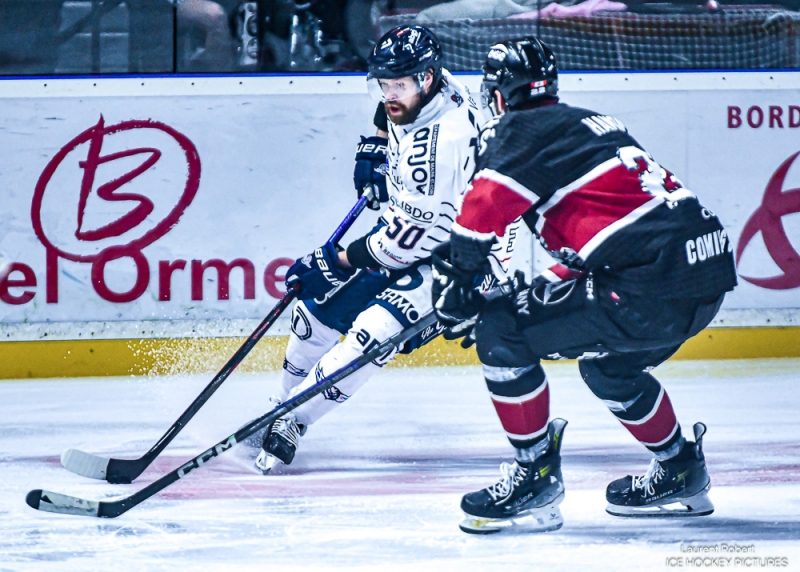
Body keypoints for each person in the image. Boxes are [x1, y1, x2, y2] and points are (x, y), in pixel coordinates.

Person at [432, 37, 737, 534]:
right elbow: (614, 237)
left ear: (501, 94)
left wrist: (462, 283)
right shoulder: (590, 122)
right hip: (703, 280)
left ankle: (535, 477)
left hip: (648, 289)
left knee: (499, 331)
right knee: (610, 370)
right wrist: (538, 288)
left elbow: (481, 211)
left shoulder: (519, 129)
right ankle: (681, 468)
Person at [254, 25, 513, 474]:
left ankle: (293, 419)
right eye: (383, 84)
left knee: (372, 335)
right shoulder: (430, 83)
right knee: (312, 314)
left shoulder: (439, 150)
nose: (390, 94)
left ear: (427, 78)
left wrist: (332, 261)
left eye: (400, 85)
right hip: (420, 225)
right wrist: (376, 142)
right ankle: (279, 406)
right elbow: (389, 105)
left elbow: (400, 243)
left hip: (463, 255)